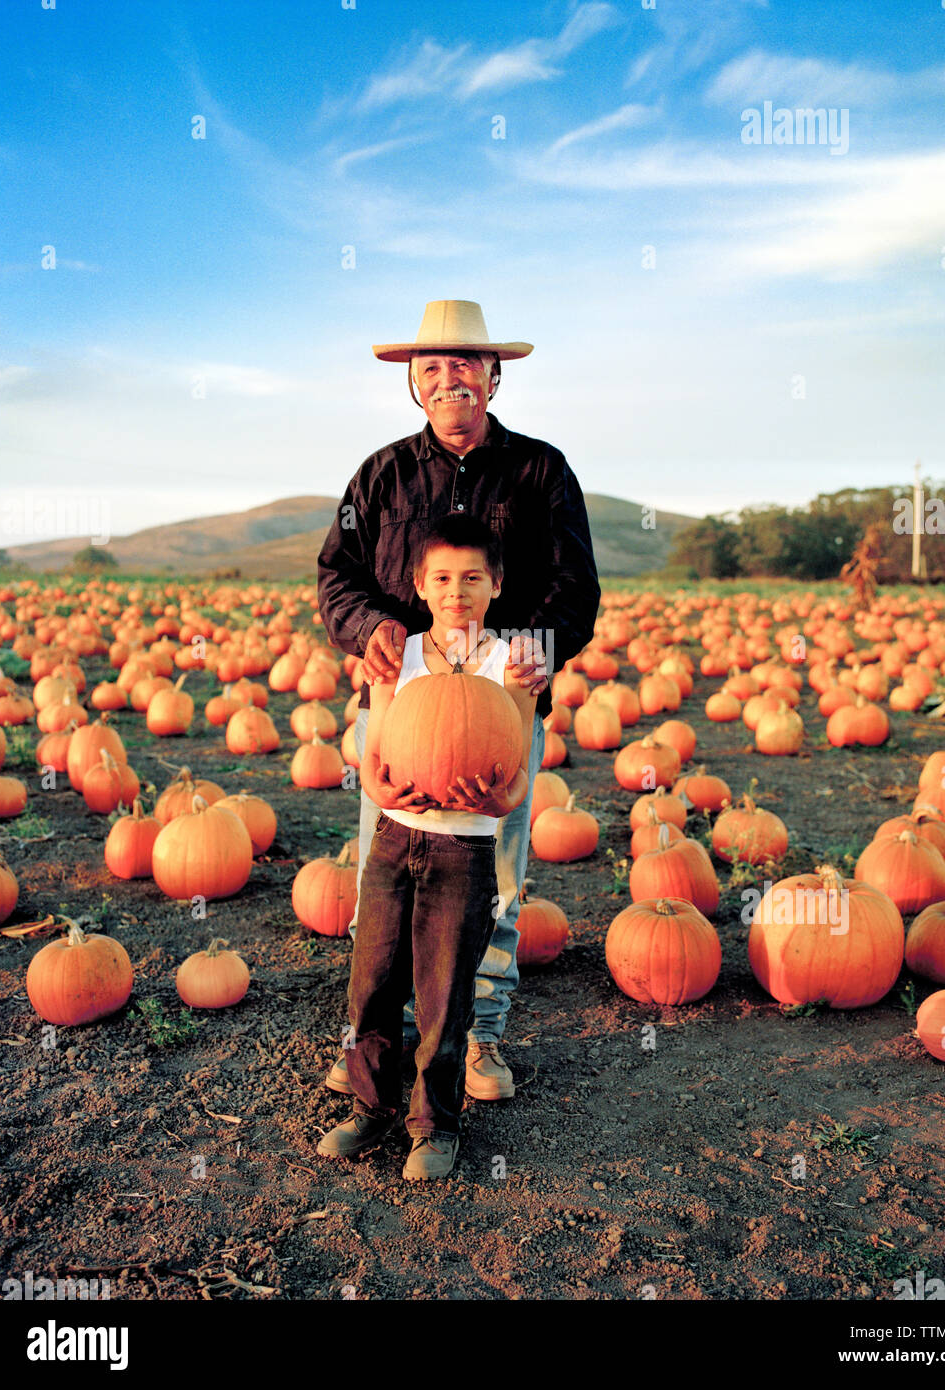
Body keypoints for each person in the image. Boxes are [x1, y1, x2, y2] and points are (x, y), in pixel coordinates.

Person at [317, 299, 600, 1101]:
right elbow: (334, 572)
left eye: (465, 366)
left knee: (496, 883)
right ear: (414, 383)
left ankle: (480, 1036)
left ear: (494, 376)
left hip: (499, 716)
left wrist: (537, 648)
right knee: (389, 881)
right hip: (399, 709)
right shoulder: (379, 475)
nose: (450, 381)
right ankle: (379, 1043)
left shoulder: (543, 472)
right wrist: (366, 623)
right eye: (432, 369)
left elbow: (575, 585)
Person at [317, 516, 536, 1178]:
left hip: (463, 854)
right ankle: (370, 1108)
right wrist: (382, 786)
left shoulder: (514, 665)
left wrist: (501, 801)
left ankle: (435, 1125)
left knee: (445, 994)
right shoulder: (396, 655)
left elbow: (517, 769)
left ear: (496, 584)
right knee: (373, 981)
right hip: (393, 839)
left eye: (472, 578)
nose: (456, 591)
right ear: (419, 584)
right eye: (442, 578)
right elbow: (376, 751)